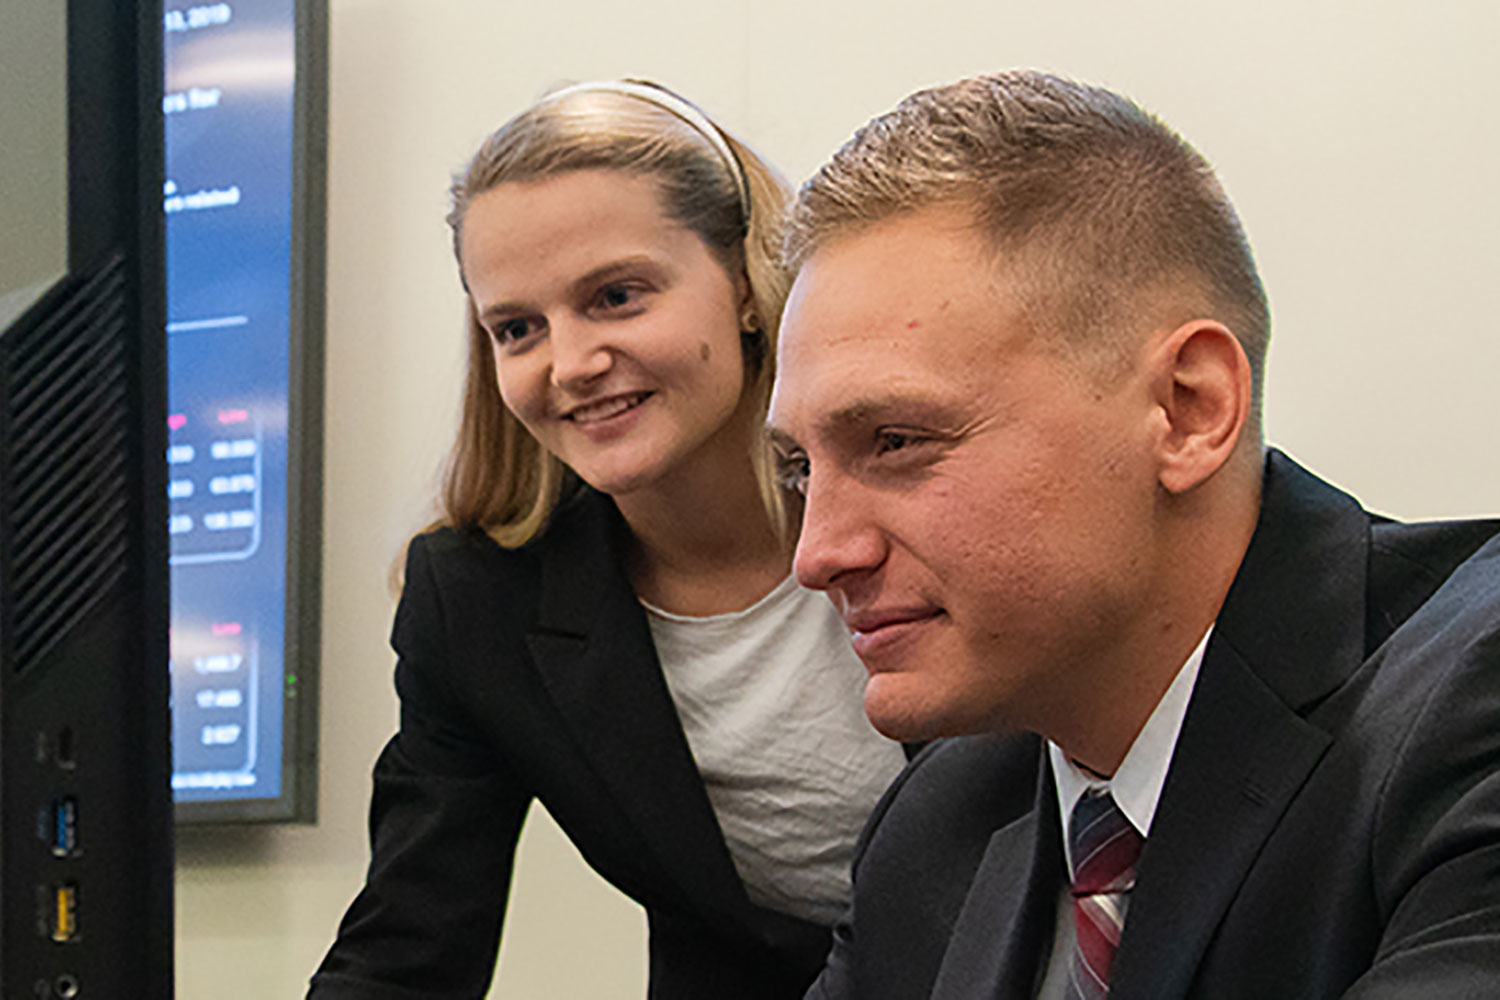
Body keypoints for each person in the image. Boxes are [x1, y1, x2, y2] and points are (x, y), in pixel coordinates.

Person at [766, 70, 1500, 999]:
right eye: (799, 468)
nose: (818, 554)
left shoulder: (1473, 705)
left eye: (898, 441)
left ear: (1190, 410)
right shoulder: (939, 824)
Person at [307, 80, 906, 1000]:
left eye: (617, 296)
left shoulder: (921, 491)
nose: (571, 364)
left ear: (746, 287)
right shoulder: (477, 600)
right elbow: (408, 948)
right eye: (517, 328)